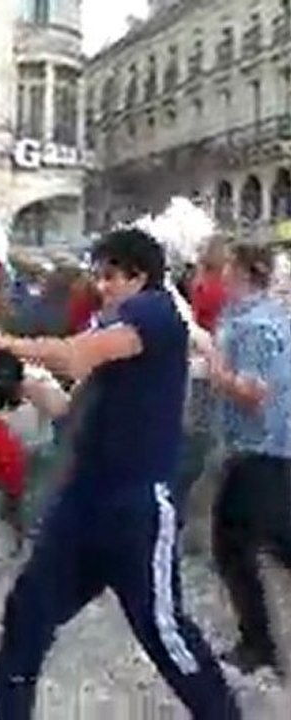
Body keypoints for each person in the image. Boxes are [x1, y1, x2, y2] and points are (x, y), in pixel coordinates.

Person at [0, 229, 241, 719]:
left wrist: (5, 343)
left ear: (139, 276)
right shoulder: (115, 328)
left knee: (163, 631)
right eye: (98, 276)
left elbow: (74, 355)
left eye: (110, 276)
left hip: (136, 505)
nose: (101, 286)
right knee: (28, 610)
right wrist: (21, 382)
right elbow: (68, 409)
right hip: (84, 501)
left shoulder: (153, 311)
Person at [208, 243, 291, 676]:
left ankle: (258, 646)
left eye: (227, 267)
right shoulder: (254, 315)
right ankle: (258, 644)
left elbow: (254, 393)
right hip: (264, 448)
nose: (220, 274)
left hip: (259, 448)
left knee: (233, 545)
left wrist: (214, 372)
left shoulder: (256, 325)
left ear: (241, 272)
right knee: (271, 539)